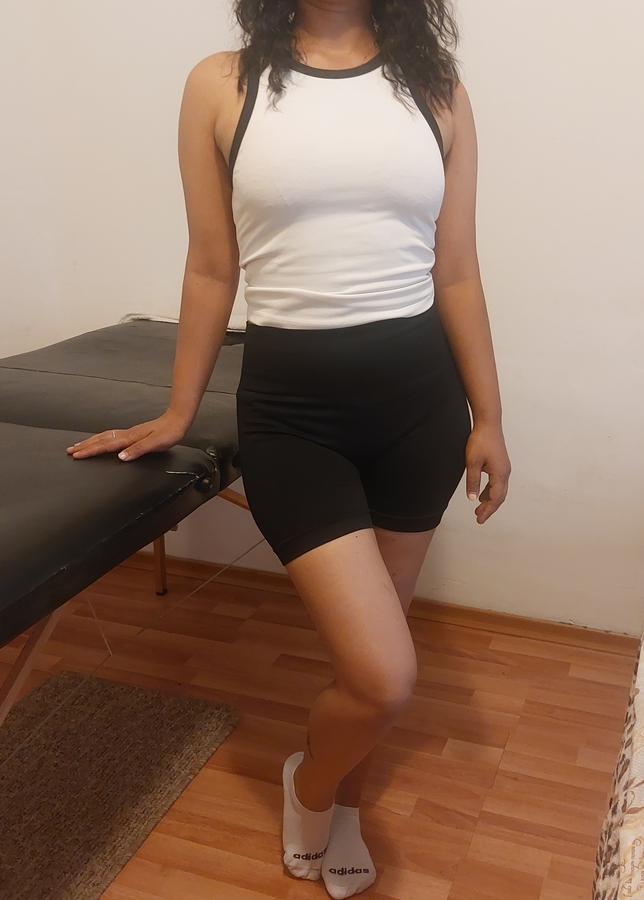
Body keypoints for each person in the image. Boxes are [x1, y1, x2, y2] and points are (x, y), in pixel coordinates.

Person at [67, 0, 512, 896]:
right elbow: (211, 264)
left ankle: (344, 802)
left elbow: (456, 268)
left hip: (420, 413)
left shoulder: (436, 89)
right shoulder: (221, 85)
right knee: (383, 677)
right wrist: (179, 409)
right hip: (293, 415)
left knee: (369, 664)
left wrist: (489, 417)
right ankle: (310, 785)